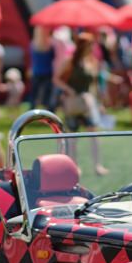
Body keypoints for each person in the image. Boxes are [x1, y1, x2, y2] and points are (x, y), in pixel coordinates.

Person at [54, 33, 108, 175]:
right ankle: (74, 166)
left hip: (87, 103)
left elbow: (94, 84)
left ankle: (97, 165)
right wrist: (68, 89)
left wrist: (99, 103)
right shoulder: (70, 61)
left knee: (94, 134)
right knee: (73, 137)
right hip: (73, 103)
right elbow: (57, 79)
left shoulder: (92, 62)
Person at [29, 26, 56, 110]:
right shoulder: (50, 44)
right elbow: (53, 58)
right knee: (47, 94)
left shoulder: (33, 44)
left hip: (37, 71)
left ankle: (33, 109)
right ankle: (48, 110)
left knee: (35, 94)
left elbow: (32, 59)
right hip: (47, 72)